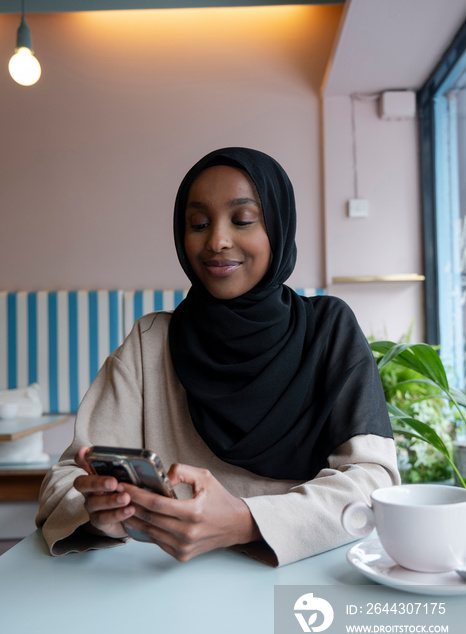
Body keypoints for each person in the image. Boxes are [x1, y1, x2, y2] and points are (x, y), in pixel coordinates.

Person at [36, 147, 399, 566]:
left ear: (279, 228)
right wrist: (99, 513)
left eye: (243, 220)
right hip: (170, 594)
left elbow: (373, 482)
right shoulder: (151, 341)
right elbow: (66, 482)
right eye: (198, 224)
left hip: (304, 586)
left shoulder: (328, 330)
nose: (216, 241)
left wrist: (245, 520)